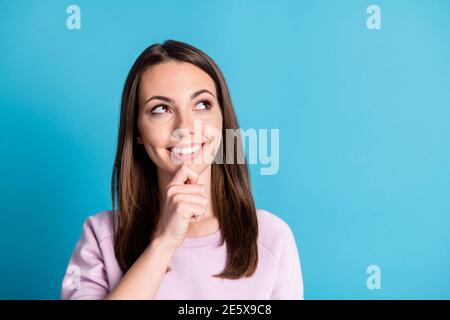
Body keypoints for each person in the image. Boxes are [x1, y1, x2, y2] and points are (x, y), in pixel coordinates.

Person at [61, 40, 304, 299]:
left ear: (223, 119)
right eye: (161, 109)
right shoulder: (101, 236)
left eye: (202, 104)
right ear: (138, 132)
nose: (185, 126)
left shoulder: (271, 237)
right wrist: (165, 241)